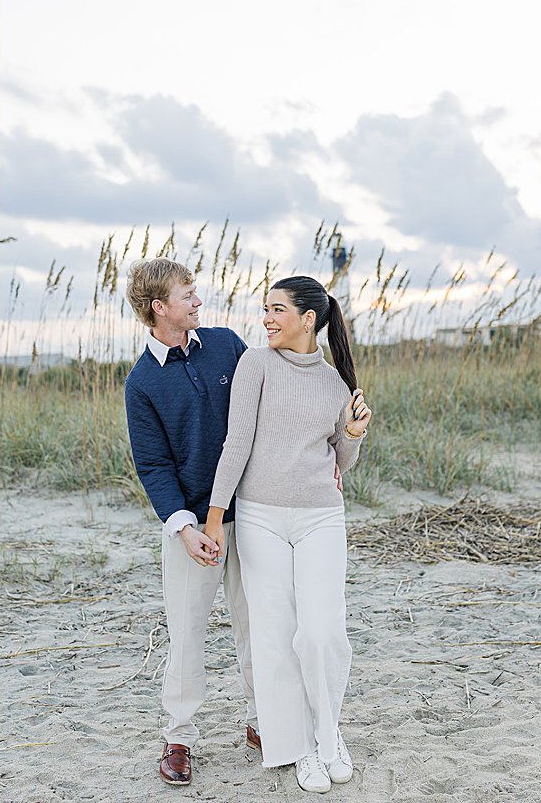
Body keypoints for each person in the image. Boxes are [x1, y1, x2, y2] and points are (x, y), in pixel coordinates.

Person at [203, 275, 372, 794]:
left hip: (321, 516)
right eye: (265, 309)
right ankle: (299, 750)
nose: (267, 319)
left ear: (308, 319)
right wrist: (214, 517)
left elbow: (342, 464)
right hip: (259, 518)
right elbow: (237, 444)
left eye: (277, 310)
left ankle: (329, 732)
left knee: (321, 633)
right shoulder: (255, 363)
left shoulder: (336, 384)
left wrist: (354, 432)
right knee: (275, 637)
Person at [123, 256, 259, 787]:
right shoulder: (141, 384)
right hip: (190, 528)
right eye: (188, 295)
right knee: (186, 632)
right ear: (160, 308)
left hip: (251, 513)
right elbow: (153, 465)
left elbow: (265, 409)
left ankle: (260, 722)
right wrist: (184, 527)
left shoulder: (226, 344)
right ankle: (179, 737)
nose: (198, 301)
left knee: (258, 625)